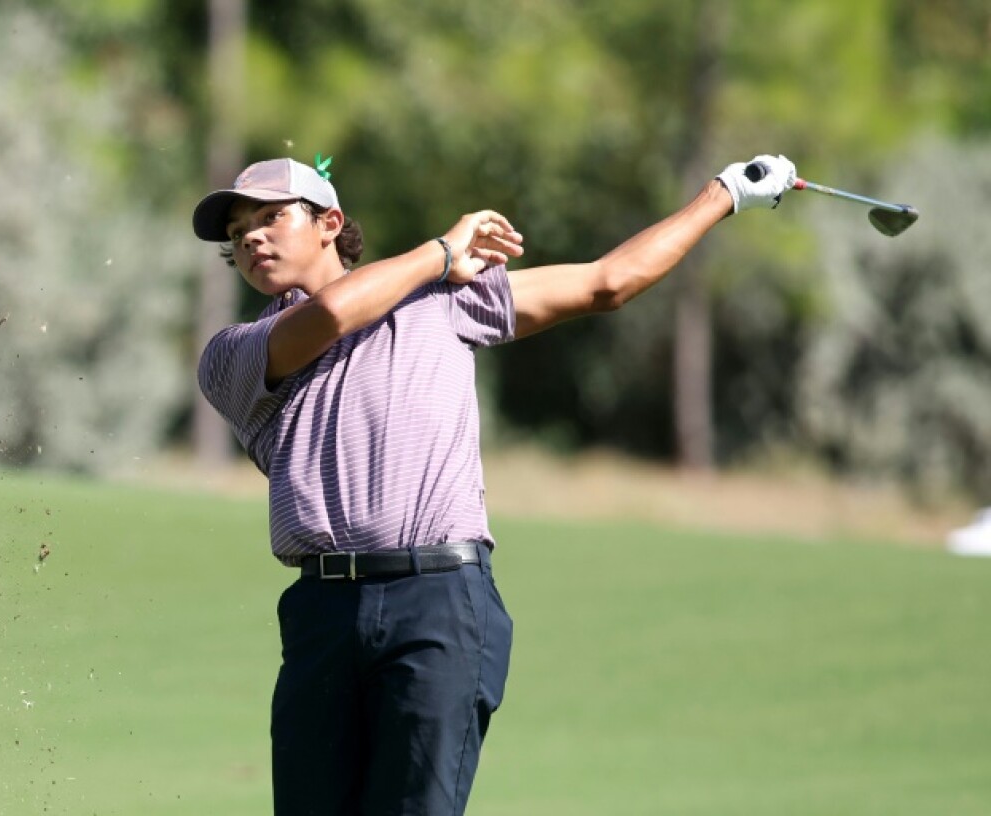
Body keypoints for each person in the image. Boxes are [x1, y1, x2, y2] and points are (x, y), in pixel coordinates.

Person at [192, 153, 796, 815]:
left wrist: (723, 193)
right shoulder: (232, 355)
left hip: (439, 602)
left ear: (329, 222)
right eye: (238, 231)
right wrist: (441, 251)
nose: (250, 237)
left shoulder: (444, 301)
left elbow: (607, 282)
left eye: (271, 217)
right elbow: (333, 315)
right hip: (321, 613)